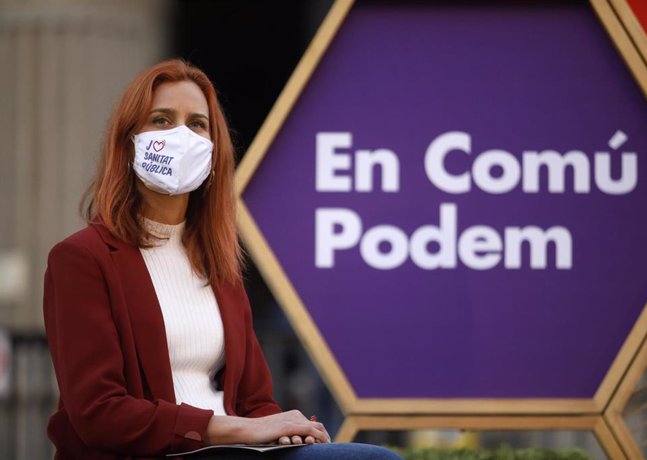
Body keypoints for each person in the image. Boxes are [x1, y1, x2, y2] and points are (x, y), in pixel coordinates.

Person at [43, 59, 401, 460]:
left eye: (197, 124)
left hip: (238, 450)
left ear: (214, 150)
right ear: (128, 142)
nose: (180, 135)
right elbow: (99, 413)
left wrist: (286, 430)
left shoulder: (218, 265)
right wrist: (234, 429)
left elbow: (255, 402)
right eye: (161, 120)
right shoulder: (81, 259)